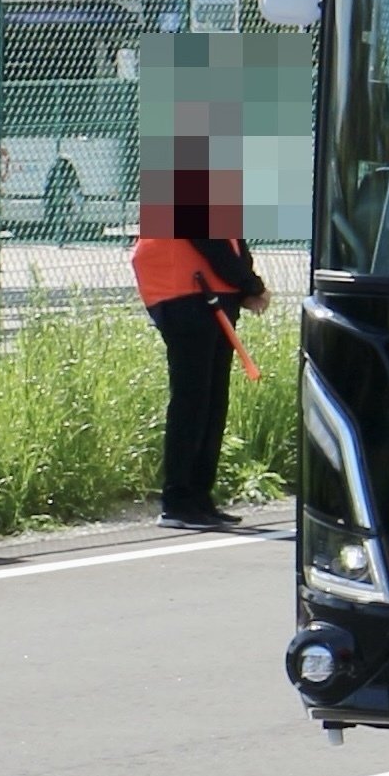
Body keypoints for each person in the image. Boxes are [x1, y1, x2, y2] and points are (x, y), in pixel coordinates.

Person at [134, 135, 268, 529]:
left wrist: (245, 284)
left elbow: (231, 240)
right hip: (185, 293)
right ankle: (178, 500)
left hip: (210, 294)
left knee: (211, 399)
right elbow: (207, 239)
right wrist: (251, 285)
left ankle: (198, 496)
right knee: (193, 398)